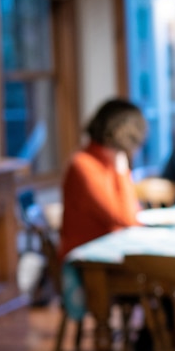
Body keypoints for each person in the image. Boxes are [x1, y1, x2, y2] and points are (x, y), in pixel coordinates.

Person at [58, 98, 146, 261]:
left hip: (111, 249)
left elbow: (132, 213)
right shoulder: (84, 165)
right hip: (88, 259)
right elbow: (126, 218)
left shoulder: (106, 162)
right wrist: (122, 170)